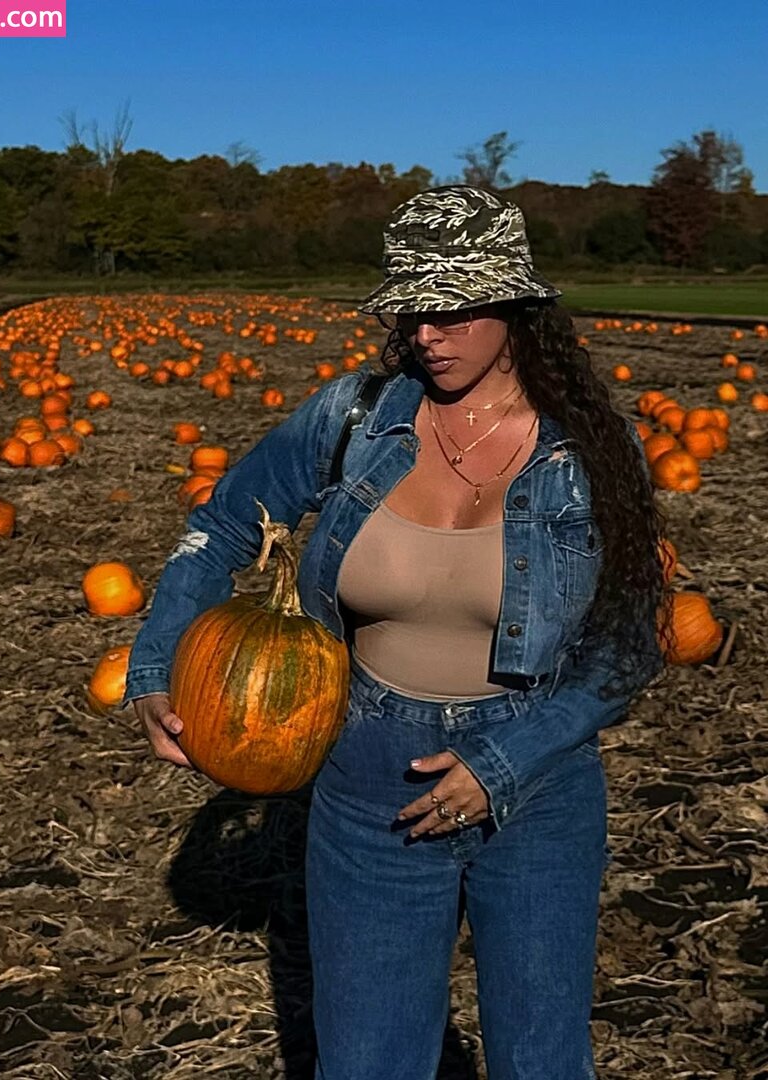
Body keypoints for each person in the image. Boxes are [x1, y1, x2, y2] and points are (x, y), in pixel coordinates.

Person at [126, 185, 671, 1080]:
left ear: (515, 306)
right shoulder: (355, 418)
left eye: (453, 309)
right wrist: (157, 668)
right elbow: (221, 525)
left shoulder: (590, 449)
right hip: (368, 772)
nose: (428, 333)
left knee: (541, 1059)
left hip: (538, 779)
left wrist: (505, 762)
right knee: (368, 1061)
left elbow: (634, 636)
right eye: (412, 309)